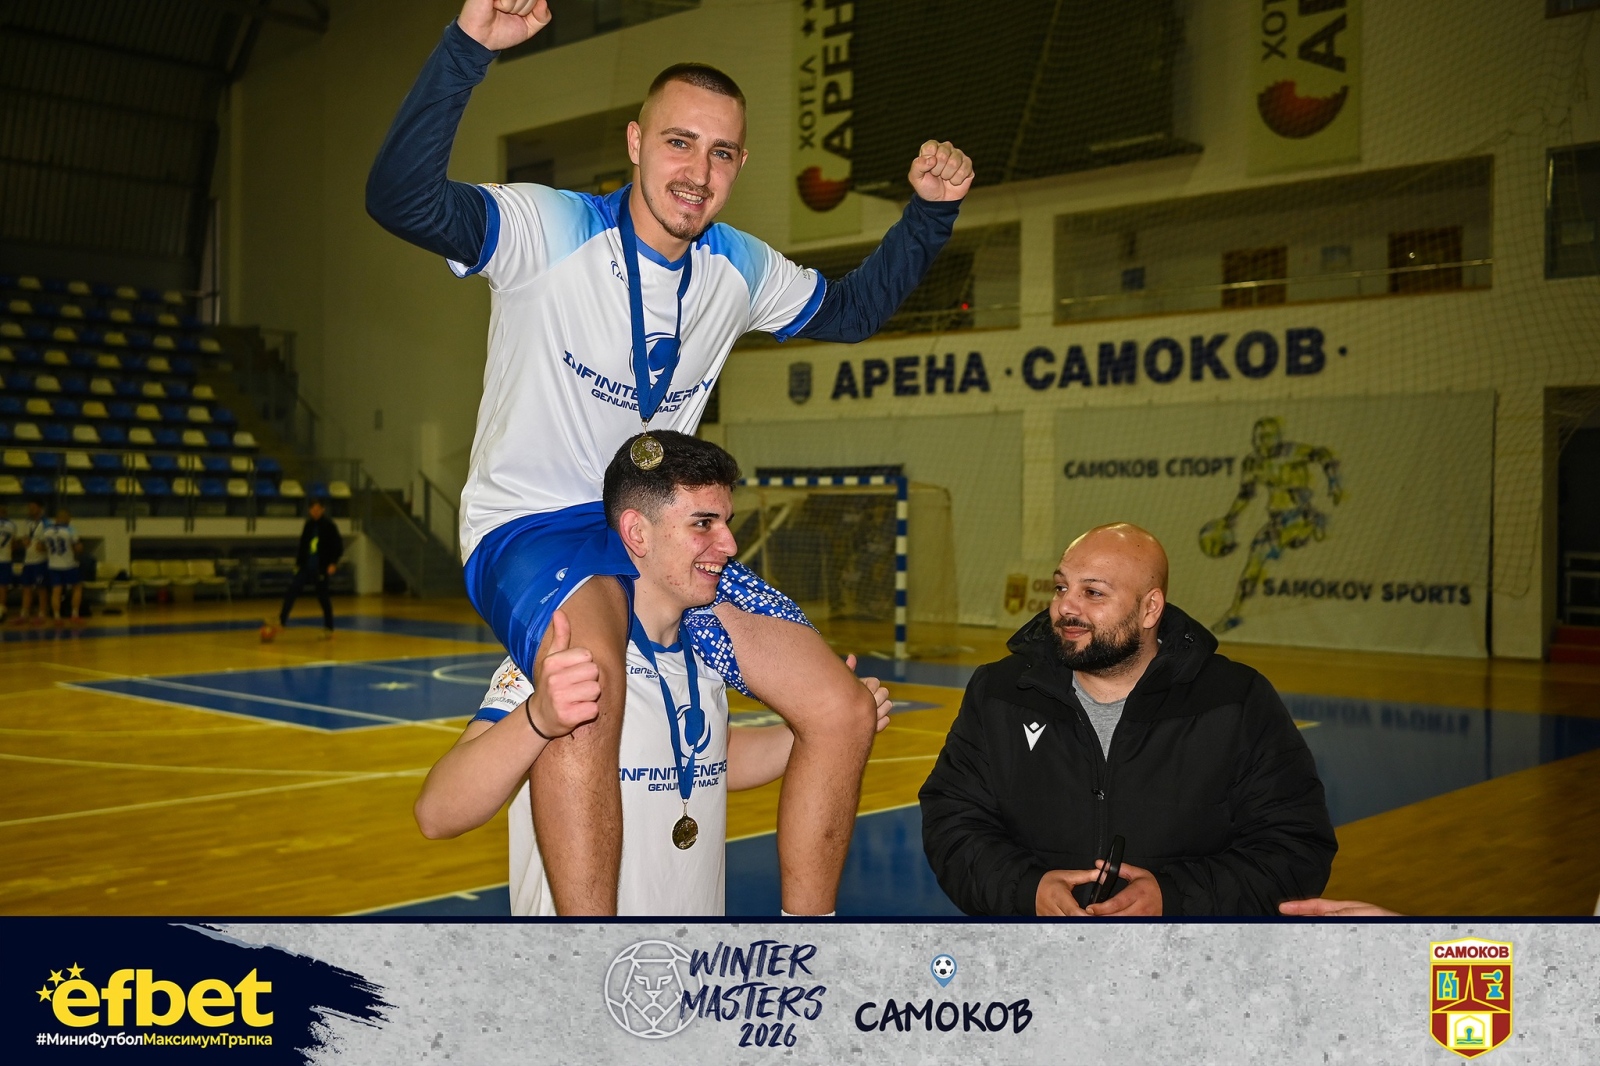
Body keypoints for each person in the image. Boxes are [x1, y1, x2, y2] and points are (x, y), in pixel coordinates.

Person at [366, 0, 974, 914]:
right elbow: (400, 199)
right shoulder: (545, 228)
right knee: (586, 683)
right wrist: (468, 49)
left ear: (740, 166)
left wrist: (929, 215)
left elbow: (850, 313)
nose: (698, 172)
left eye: (722, 153)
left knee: (842, 709)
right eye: (680, 143)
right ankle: (594, 963)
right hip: (535, 525)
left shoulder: (739, 266)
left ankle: (808, 944)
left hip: (661, 531)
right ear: (636, 143)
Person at [412, 432, 892, 914]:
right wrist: (538, 717)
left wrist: (822, 724)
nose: (729, 544)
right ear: (637, 533)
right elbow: (437, 814)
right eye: (703, 523)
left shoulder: (707, 654)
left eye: (726, 522)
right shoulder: (564, 658)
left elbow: (711, 759)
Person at [919, 522, 1338, 916]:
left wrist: (1173, 900)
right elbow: (953, 825)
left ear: (1150, 608)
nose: (1065, 606)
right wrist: (1028, 890)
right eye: (1061, 587)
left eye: (1093, 592)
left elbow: (1295, 848)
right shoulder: (1000, 693)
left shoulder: (1235, 701)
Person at [1199, 416, 1344, 633]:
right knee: (1253, 564)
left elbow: (1322, 454)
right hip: (1277, 523)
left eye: (1266, 437)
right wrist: (1229, 519)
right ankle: (1234, 614)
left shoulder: (1292, 453)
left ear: (1277, 437)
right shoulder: (1253, 463)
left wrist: (1333, 482)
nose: (1261, 442)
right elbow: (1246, 495)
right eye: (1258, 437)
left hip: (1301, 519)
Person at [263, 499, 343, 640]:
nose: (315, 512)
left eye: (318, 509)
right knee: (292, 590)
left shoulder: (329, 526)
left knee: (323, 597)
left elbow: (338, 546)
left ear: (323, 510)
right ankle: (282, 620)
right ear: (309, 510)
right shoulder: (308, 525)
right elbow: (303, 546)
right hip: (305, 566)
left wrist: (333, 563)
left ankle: (329, 628)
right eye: (313, 509)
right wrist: (298, 564)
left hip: (321, 567)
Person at [43, 508, 83, 625]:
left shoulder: (47, 531)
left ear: (56, 519)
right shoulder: (70, 530)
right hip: (69, 564)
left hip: (53, 564)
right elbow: (78, 548)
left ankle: (57, 617)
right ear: (68, 519)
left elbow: (40, 547)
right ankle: (74, 614)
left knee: (56, 591)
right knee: (77, 587)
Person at [15, 500, 50, 624]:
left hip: (40, 561)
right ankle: (24, 613)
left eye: (33, 507)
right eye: (29, 507)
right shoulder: (27, 522)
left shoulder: (46, 523)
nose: (30, 509)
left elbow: (51, 543)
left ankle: (42, 613)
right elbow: (25, 538)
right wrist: (23, 542)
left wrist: (44, 547)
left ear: (40, 509)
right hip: (28, 561)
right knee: (26, 587)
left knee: (41, 588)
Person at [0, 503, 14, 623]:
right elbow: (13, 544)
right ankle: (2, 609)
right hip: (5, 559)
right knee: (3, 586)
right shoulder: (11, 525)